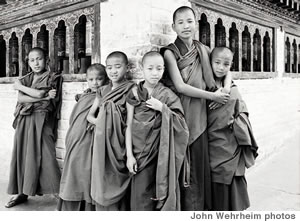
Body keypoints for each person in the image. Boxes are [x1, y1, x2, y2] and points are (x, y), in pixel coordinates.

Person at [160, 6, 232, 211]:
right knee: (183, 168)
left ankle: (199, 210)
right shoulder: (169, 53)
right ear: (173, 26)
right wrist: (213, 95)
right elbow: (181, 86)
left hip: (201, 116)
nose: (185, 26)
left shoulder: (204, 50)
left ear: (196, 24)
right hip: (181, 116)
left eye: (189, 21)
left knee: (199, 168)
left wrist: (225, 90)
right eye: (180, 22)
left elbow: (226, 70)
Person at [125, 51, 189, 211]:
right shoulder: (134, 92)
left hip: (160, 154)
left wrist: (163, 108)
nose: (155, 73)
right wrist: (130, 156)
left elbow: (182, 125)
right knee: (139, 197)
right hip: (139, 153)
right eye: (150, 68)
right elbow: (129, 125)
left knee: (159, 190)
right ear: (142, 68)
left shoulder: (167, 94)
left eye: (159, 69)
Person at [5, 47, 62, 208]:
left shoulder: (53, 77)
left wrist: (19, 87)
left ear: (46, 60)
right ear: (28, 63)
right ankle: (22, 192)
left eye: (39, 58)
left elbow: (39, 95)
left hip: (42, 119)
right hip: (25, 119)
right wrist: (36, 95)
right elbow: (23, 99)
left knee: (46, 154)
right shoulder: (27, 78)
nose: (36, 63)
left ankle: (58, 193)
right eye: (32, 60)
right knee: (22, 154)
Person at [207, 47, 258, 211]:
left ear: (231, 66)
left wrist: (228, 90)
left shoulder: (233, 90)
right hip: (211, 146)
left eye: (226, 64)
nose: (221, 67)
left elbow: (241, 119)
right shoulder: (204, 87)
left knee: (233, 198)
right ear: (209, 63)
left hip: (230, 147)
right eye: (217, 63)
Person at [87, 51, 135, 211]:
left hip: (118, 142)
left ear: (127, 68)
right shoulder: (103, 90)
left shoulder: (131, 89)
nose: (113, 71)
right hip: (101, 142)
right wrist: (102, 124)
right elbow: (90, 116)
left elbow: (130, 122)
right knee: (101, 177)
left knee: (116, 178)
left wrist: (129, 154)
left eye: (118, 67)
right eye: (109, 68)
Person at [57, 64, 108, 211]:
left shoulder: (105, 94)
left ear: (105, 79)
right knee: (72, 167)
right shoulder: (86, 95)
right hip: (75, 136)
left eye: (99, 79)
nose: (95, 82)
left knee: (85, 169)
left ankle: (85, 205)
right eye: (91, 79)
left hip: (88, 139)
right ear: (86, 79)